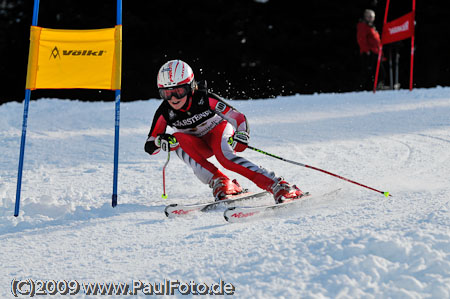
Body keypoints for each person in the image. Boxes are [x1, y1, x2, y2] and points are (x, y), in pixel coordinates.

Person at [145, 59, 303, 204]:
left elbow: (238, 117)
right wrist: (161, 141)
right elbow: (150, 145)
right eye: (166, 93)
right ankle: (221, 182)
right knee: (176, 139)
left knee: (225, 158)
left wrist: (242, 134)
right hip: (198, 146)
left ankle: (279, 185)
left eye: (178, 91)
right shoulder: (164, 112)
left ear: (191, 87)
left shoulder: (205, 99)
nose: (173, 98)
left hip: (217, 132)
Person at [356, 9, 385, 90]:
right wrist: (367, 51)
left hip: (376, 52)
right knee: (369, 72)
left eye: (372, 17)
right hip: (369, 53)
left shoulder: (371, 26)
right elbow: (361, 39)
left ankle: (376, 86)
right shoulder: (363, 26)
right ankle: (365, 88)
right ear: (365, 17)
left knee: (378, 71)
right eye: (369, 16)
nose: (371, 18)